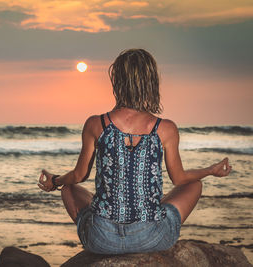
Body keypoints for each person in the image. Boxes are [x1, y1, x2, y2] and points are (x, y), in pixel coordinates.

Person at [37, 48, 232, 254]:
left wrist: (55, 181)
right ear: (151, 83)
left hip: (102, 240)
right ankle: (148, 219)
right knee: (194, 185)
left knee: (68, 188)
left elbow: (78, 176)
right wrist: (210, 170)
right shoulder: (165, 128)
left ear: (117, 82)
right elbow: (179, 178)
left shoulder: (96, 124)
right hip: (150, 238)